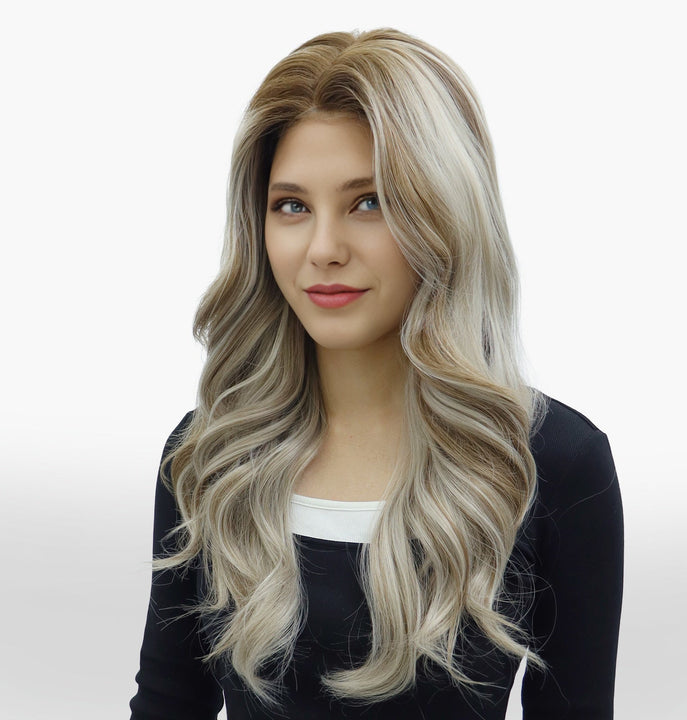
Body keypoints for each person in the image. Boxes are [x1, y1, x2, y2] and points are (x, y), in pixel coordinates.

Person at [129, 28, 623, 719]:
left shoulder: (554, 464)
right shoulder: (210, 456)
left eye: (370, 202)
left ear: (444, 214)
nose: (323, 249)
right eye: (292, 206)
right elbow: (167, 703)